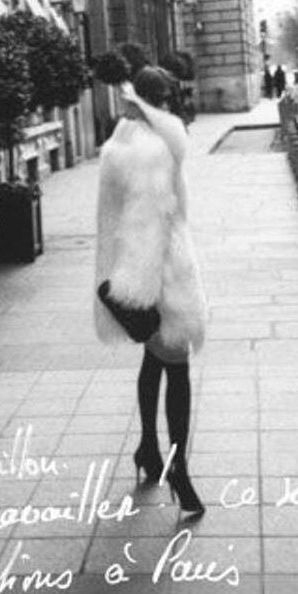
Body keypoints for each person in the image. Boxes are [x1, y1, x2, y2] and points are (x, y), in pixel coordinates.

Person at [94, 66, 207, 516]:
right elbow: (148, 226)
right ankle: (178, 468)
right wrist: (149, 292)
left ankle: (147, 447)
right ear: (153, 100)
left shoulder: (122, 139)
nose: (167, 105)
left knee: (154, 359)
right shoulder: (151, 149)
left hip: (137, 266)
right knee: (177, 367)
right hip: (159, 274)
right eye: (163, 98)